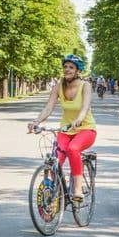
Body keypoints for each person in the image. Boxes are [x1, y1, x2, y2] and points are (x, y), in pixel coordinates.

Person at [28, 54, 96, 202]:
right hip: (66, 131)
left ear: (78, 70)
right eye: (65, 66)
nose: (67, 69)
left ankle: (78, 189)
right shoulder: (59, 86)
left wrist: (79, 119)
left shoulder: (86, 85)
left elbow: (85, 107)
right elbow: (49, 107)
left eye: (71, 67)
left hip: (85, 129)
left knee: (73, 148)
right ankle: (58, 191)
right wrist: (36, 121)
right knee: (55, 159)